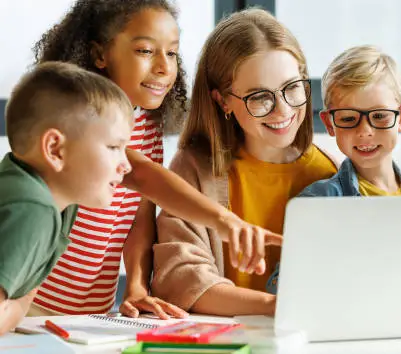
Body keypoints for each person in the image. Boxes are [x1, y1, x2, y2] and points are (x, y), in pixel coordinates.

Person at [31, 0, 280, 318]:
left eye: (172, 53)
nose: (164, 67)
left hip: (93, 312)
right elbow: (142, 174)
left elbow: (138, 218)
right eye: (146, 51)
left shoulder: (147, 124)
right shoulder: (74, 114)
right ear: (99, 55)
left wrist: (137, 287)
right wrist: (224, 221)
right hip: (31, 306)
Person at [152, 8, 337, 316]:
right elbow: (181, 278)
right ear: (222, 100)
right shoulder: (194, 170)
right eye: (260, 97)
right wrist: (277, 307)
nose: (282, 111)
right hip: (225, 339)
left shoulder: (331, 171)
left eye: (292, 88)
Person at [0, 62, 132, 334]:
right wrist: (21, 306)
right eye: (113, 147)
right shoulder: (33, 208)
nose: (126, 165)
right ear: (55, 149)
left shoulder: (44, 196)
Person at [298, 45, 401, 198]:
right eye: (348, 118)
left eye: (379, 116)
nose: (364, 132)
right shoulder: (317, 201)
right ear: (329, 123)